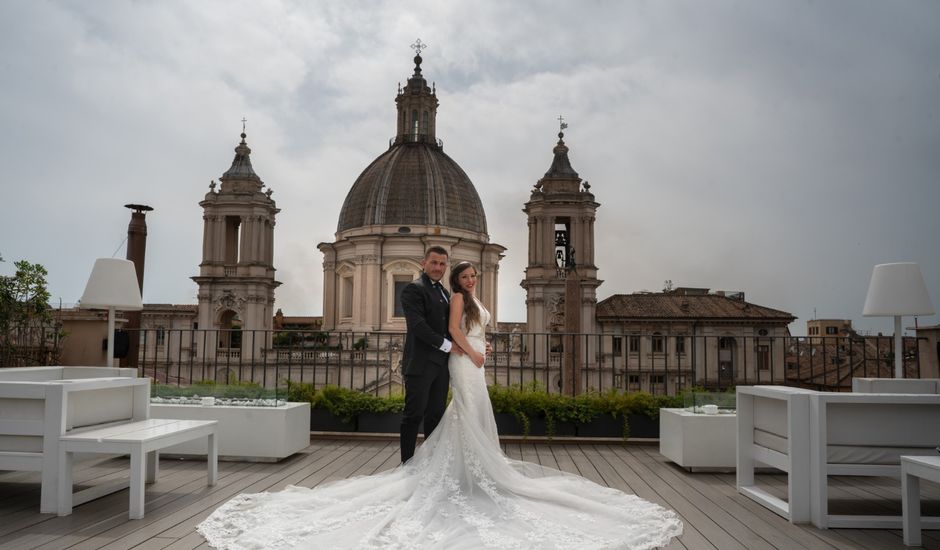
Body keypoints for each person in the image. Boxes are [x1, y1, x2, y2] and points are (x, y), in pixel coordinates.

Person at [197, 261, 683, 549]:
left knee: (458, 417)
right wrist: (470, 350)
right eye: (463, 273)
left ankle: (463, 472)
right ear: (448, 273)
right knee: (444, 416)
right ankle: (435, 473)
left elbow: (472, 326)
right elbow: (449, 330)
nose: (468, 278)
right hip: (458, 359)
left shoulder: (464, 295)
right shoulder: (444, 295)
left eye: (473, 272)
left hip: (471, 361)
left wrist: (480, 348)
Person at [399, 245, 455, 463]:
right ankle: (407, 463)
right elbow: (418, 326)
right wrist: (448, 346)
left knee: (435, 416)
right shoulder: (413, 289)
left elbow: (452, 326)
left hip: (441, 365)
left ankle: (431, 463)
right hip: (420, 364)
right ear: (423, 263)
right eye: (433, 262)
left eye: (442, 264)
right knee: (413, 415)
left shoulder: (444, 291)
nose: (438, 267)